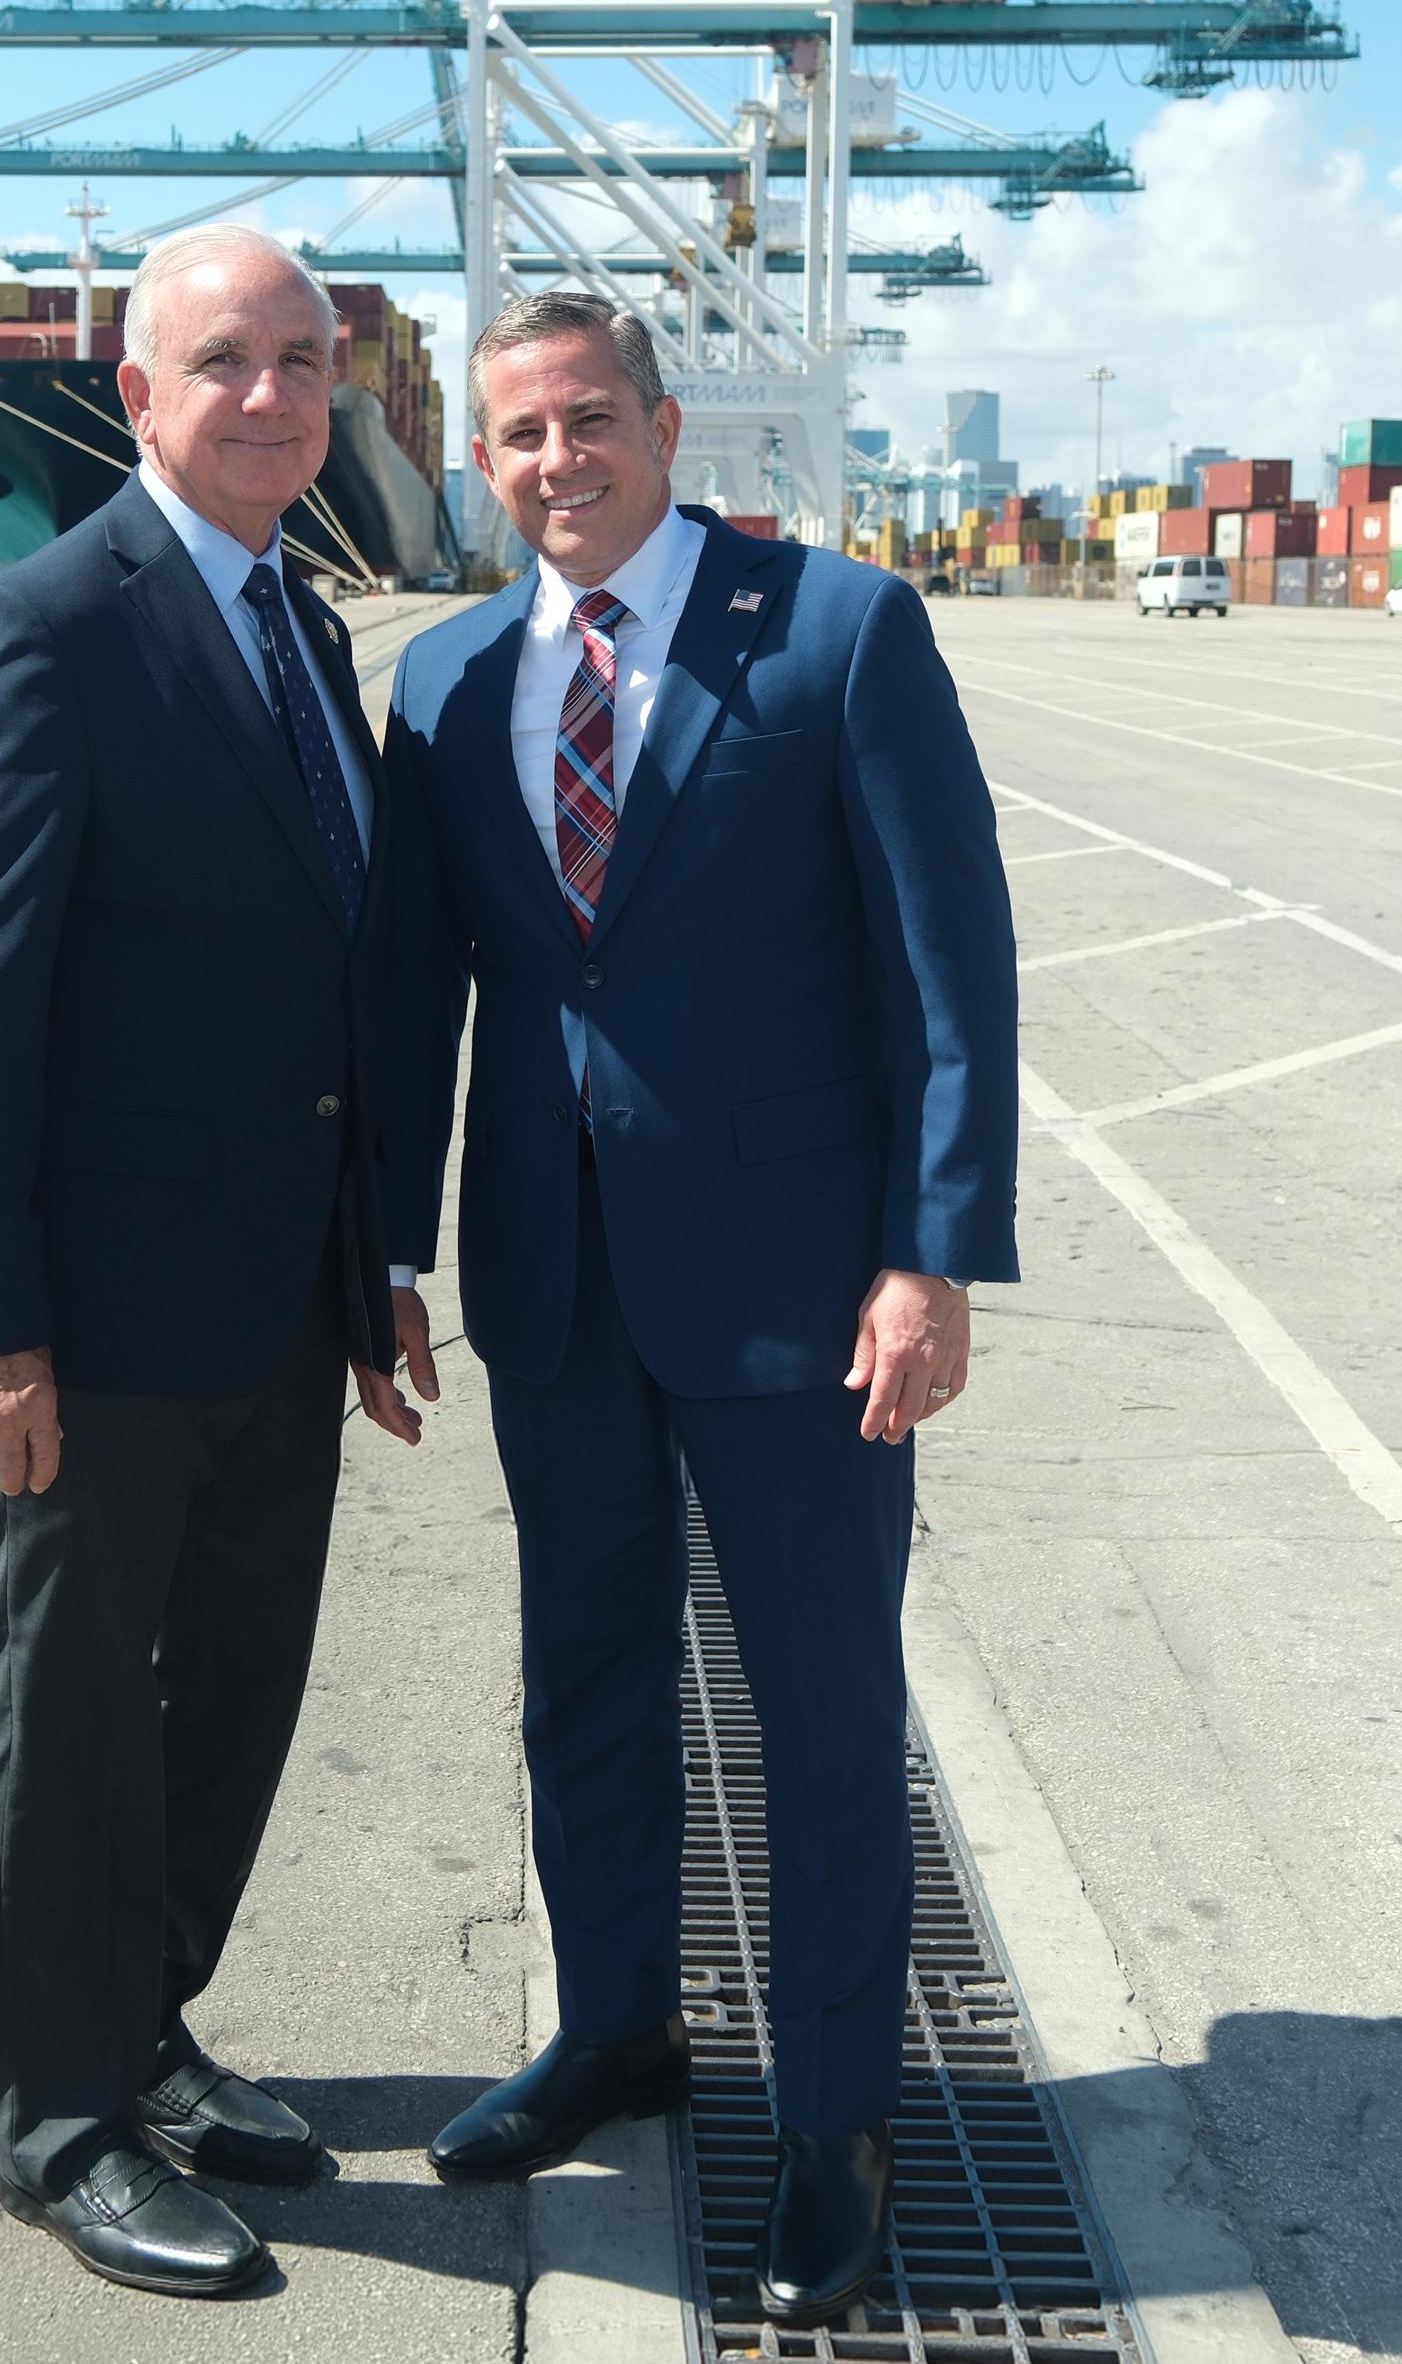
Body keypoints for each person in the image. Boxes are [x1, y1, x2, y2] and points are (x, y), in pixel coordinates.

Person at [376, 291, 1017, 2325]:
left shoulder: (833, 632)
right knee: (583, 1680)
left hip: (797, 1292)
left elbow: (948, 965)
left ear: (662, 424)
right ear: (483, 461)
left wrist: (931, 1254)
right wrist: (385, 1249)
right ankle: (617, 2031)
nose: (556, 462)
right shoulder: (451, 676)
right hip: (549, 1281)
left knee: (824, 1710)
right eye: (518, 436)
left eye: (588, 422)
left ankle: (835, 2121)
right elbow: (415, 997)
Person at [0, 225, 425, 2299]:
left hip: (281, 1293)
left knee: (230, 1707)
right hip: (91, 1320)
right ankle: (58, 2119)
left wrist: (374, 1261)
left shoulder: (304, 625)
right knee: (75, 1715)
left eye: (305, 361)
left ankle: (152, 2038)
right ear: (137, 394)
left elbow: (330, 987)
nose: (275, 396)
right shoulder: (46, 627)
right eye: (227, 361)